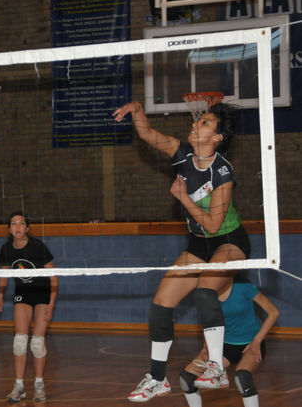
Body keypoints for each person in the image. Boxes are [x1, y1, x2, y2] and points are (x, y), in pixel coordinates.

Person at [112, 101, 251, 402]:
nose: (195, 124)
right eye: (199, 120)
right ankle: (157, 378)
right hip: (198, 244)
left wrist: (183, 198)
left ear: (217, 137)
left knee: (205, 291)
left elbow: (213, 225)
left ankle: (217, 368)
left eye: (205, 123)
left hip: (229, 242)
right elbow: (148, 134)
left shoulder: (222, 172)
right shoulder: (182, 154)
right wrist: (137, 110)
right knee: (161, 304)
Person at [180, 275, 279, 407]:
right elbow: (208, 322)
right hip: (223, 346)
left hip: (250, 344)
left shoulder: (244, 287)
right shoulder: (208, 294)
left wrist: (257, 341)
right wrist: (206, 346)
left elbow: (273, 312)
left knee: (242, 377)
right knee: (186, 378)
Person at [0, 211, 58, 402]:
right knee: (19, 341)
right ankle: (19, 386)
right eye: (13, 224)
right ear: (9, 229)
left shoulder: (38, 247)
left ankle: (39, 384)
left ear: (27, 228)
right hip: (23, 295)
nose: (17, 227)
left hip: (42, 294)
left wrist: (51, 304)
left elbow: (54, 277)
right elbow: (4, 276)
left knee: (37, 343)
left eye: (21, 223)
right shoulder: (6, 249)